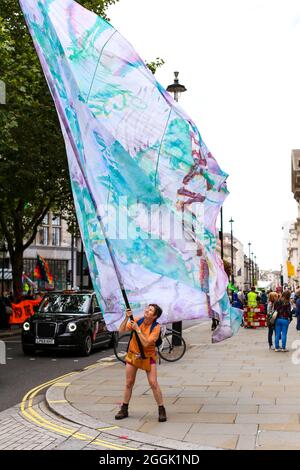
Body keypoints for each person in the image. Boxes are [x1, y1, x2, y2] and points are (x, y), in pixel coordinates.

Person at [115, 304, 167, 422]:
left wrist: (137, 330)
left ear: (154, 316)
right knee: (129, 383)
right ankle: (124, 408)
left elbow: (146, 343)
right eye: (147, 309)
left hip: (148, 357)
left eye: (150, 310)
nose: (147, 311)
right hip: (133, 355)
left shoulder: (156, 327)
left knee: (153, 383)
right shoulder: (137, 320)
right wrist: (126, 318)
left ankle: (161, 408)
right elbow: (121, 330)